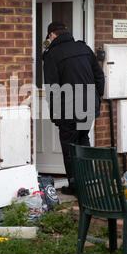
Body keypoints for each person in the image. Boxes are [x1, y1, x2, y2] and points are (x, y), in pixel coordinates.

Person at [42, 21, 105, 195]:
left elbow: (52, 87)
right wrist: (97, 97)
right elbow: (99, 76)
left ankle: (76, 186)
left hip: (69, 108)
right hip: (89, 106)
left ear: (52, 35)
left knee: (70, 147)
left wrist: (55, 114)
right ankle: (88, 181)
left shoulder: (52, 55)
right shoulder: (84, 49)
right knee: (83, 140)